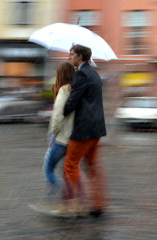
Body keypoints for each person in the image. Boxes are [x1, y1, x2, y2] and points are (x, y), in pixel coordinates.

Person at [58, 44, 107, 217]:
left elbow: (73, 102)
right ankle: (99, 204)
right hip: (96, 128)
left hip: (83, 129)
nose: (69, 57)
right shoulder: (94, 73)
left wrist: (60, 112)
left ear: (79, 56)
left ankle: (74, 204)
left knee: (70, 165)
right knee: (93, 167)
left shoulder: (81, 74)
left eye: (71, 54)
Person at [42, 62, 75, 201]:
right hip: (73, 137)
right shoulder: (75, 90)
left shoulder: (63, 90)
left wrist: (53, 134)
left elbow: (57, 116)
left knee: (48, 168)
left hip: (61, 137)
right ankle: (65, 198)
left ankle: (69, 193)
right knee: (65, 170)